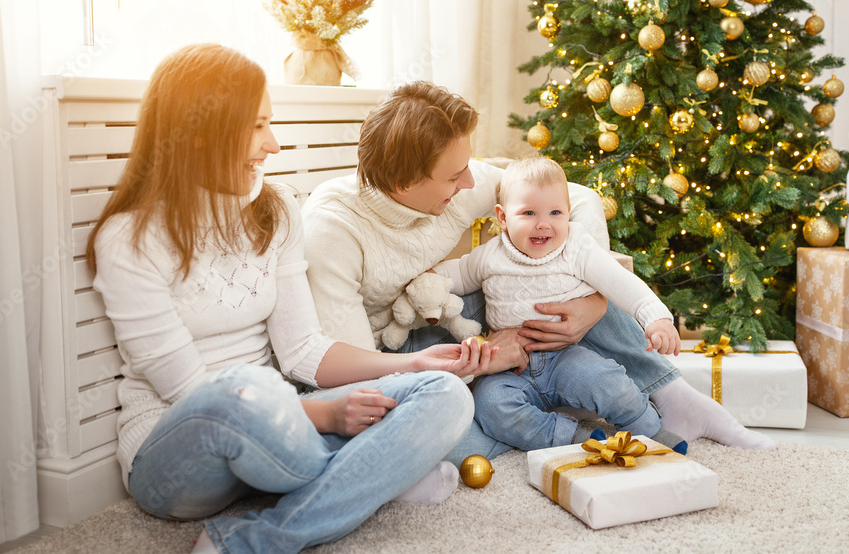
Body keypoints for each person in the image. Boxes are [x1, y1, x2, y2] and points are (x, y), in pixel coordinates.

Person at [86, 44, 490, 554]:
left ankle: (262, 536)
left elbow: (301, 350)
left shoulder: (275, 212)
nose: (272, 145)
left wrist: (413, 364)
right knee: (242, 390)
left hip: (280, 427)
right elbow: (191, 393)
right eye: (257, 126)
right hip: (178, 451)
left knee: (444, 394)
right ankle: (367, 477)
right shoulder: (128, 240)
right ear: (199, 133)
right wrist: (325, 417)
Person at [302, 80, 776, 464]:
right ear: (406, 182)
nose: (470, 183)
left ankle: (673, 397)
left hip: (479, 311)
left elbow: (580, 199)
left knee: (550, 260)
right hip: (408, 342)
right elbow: (353, 375)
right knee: (461, 436)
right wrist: (485, 349)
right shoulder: (333, 229)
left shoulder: (462, 181)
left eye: (468, 168)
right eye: (454, 176)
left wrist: (590, 304)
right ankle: (574, 431)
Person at [430, 156, 681, 451]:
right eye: (528, 213)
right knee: (491, 406)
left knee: (608, 381)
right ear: (502, 217)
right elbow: (456, 274)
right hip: (508, 369)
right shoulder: (489, 255)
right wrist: (426, 280)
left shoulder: (576, 246)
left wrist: (656, 318)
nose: (543, 224)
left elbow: (619, 282)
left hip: (565, 357)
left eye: (555, 212)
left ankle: (647, 428)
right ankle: (571, 438)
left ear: (568, 214)